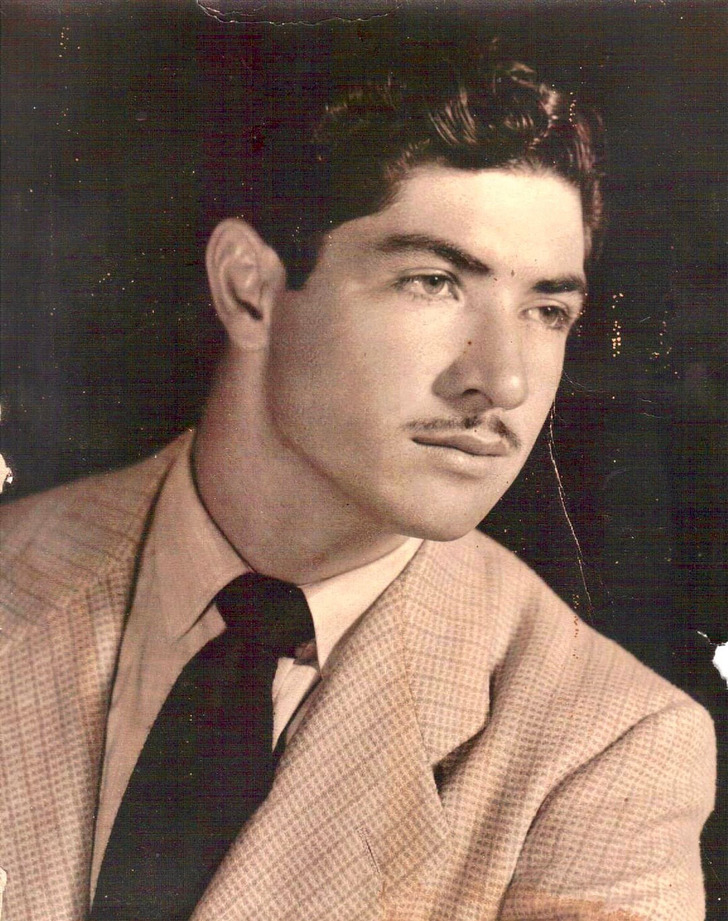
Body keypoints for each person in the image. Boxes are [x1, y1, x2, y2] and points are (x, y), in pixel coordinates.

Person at [0, 45, 716, 921]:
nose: (504, 381)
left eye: (547, 311)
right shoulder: (15, 563)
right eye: (435, 283)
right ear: (249, 290)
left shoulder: (608, 748)